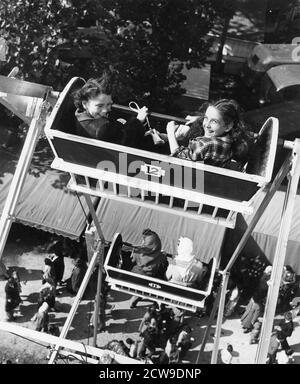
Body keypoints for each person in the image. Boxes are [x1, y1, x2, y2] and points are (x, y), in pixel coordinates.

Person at [166, 99, 255, 169]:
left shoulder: (207, 144)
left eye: (214, 121)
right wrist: (198, 120)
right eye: (206, 118)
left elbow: (177, 158)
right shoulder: (229, 140)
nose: (206, 125)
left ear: (228, 126)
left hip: (189, 181)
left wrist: (170, 133)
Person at [73, 74, 149, 148]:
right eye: (100, 106)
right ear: (85, 104)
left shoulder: (79, 114)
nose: (105, 110)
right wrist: (138, 120)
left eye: (109, 104)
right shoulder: (102, 129)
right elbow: (127, 140)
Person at [129, 229, 168, 308]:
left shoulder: (137, 252)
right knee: (161, 277)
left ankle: (136, 297)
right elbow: (164, 268)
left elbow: (133, 260)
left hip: (136, 280)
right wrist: (163, 256)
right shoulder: (161, 257)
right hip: (152, 283)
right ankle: (158, 302)